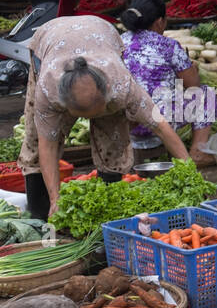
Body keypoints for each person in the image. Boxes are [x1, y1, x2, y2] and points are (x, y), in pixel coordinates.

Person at [17, 15, 189, 220]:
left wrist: (190, 172)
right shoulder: (49, 90)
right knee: (35, 140)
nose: (94, 119)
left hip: (102, 32)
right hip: (48, 38)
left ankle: (110, 207)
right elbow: (47, 146)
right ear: (64, 105)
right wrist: (55, 199)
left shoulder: (121, 85)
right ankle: (40, 212)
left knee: (114, 138)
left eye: (99, 111)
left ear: (107, 90)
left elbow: (160, 126)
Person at [120, 0, 217, 165]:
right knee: (205, 94)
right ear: (159, 22)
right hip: (159, 121)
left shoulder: (118, 42)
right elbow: (193, 85)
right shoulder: (167, 45)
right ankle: (197, 152)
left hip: (124, 122)